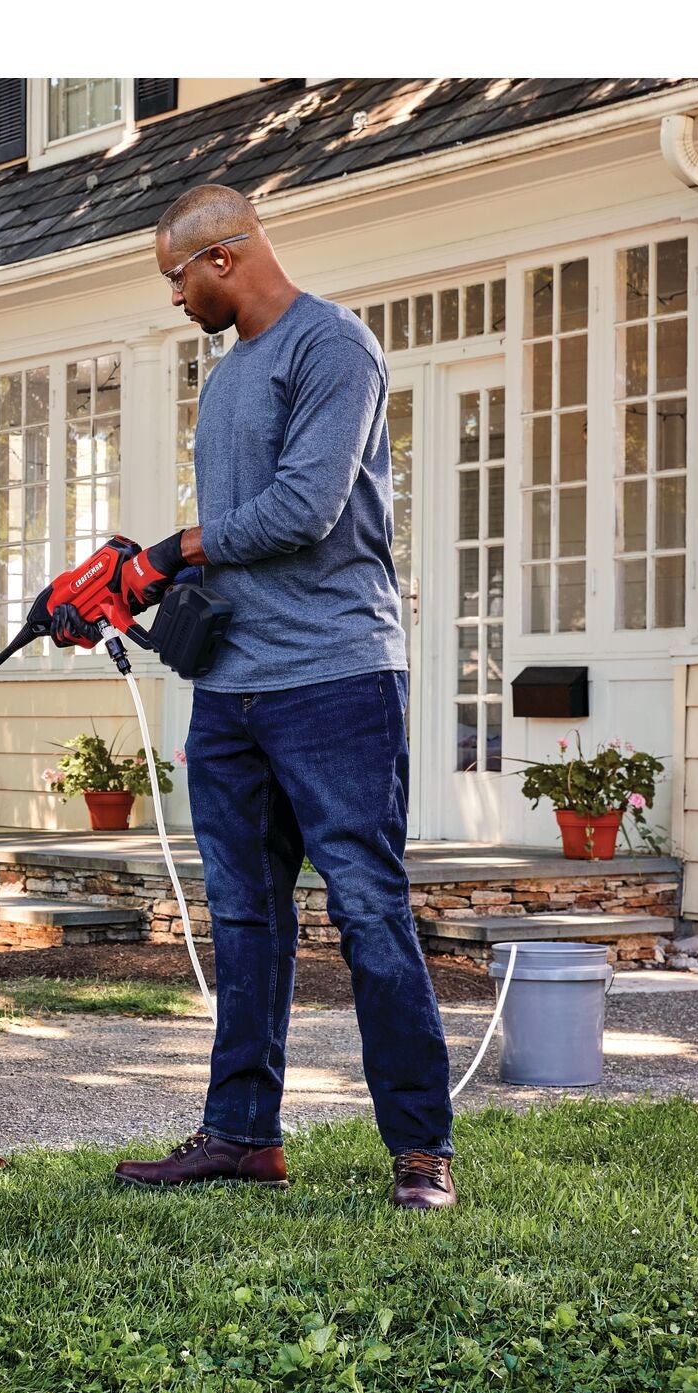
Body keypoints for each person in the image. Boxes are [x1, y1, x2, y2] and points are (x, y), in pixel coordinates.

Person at [81, 183, 456, 1209]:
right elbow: (235, 540)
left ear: (222, 256)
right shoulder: (226, 376)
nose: (170, 300)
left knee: (368, 908)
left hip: (334, 678)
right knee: (244, 920)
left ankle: (420, 1150)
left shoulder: (329, 345)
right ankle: (242, 1134)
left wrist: (174, 546)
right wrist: (136, 588)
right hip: (233, 688)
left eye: (174, 276)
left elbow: (304, 507)